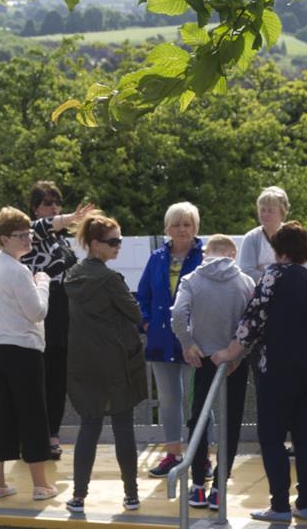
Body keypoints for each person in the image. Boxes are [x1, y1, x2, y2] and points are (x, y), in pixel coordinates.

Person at [213, 220, 307, 523]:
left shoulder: (273, 276)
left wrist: (230, 353)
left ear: (278, 251)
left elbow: (253, 319)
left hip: (279, 369)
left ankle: (279, 505)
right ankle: (305, 503)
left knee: (272, 437)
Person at [63, 212, 147, 514]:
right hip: (115, 363)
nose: (118, 246)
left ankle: (78, 496)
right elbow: (135, 314)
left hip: (83, 362)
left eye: (120, 241)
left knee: (89, 426)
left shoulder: (70, 276)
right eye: (113, 242)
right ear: (96, 244)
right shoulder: (110, 280)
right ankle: (132, 494)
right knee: (124, 427)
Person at [0, 206, 60, 502]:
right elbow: (38, 311)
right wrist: (44, 284)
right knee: (33, 415)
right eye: (19, 235)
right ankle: (41, 485)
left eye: (29, 234)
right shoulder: (19, 270)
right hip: (21, 351)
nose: (28, 240)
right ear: (3, 238)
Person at [172, 232, 256, 513]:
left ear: (207, 253)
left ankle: (197, 486)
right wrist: (238, 352)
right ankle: (219, 488)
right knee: (230, 423)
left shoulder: (193, 280)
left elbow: (177, 313)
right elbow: (253, 323)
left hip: (203, 358)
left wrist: (188, 343)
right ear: (232, 255)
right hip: (234, 359)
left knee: (198, 418)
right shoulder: (245, 282)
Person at [20, 179, 95, 458]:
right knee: (35, 376)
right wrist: (71, 218)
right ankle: (32, 435)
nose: (53, 208)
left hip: (63, 311)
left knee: (57, 378)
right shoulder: (30, 232)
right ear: (35, 208)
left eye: (56, 202)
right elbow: (40, 227)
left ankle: (52, 433)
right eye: (47, 203)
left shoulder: (61, 240)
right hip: (38, 308)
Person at [137, 201, 204, 477]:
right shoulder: (156, 258)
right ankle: (173, 455)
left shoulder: (205, 256)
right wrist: (146, 322)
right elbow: (143, 296)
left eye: (187, 224)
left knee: (197, 400)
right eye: (176, 224)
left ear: (196, 227)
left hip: (195, 340)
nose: (181, 229)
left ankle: (201, 458)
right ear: (167, 228)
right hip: (161, 340)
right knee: (168, 400)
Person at [238, 186, 293, 283]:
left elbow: (303, 268)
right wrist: (280, 275)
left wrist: (264, 269)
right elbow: (246, 272)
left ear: (282, 212)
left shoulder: (293, 236)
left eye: (271, 211)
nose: (265, 214)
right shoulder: (251, 238)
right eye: (262, 210)